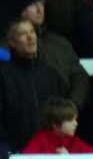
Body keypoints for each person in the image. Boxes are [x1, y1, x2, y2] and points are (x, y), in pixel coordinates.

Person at [13, 0, 89, 109]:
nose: (39, 9)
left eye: (41, 4)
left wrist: (73, 104)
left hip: (63, 116)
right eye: (33, 5)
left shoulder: (60, 42)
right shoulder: (6, 46)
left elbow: (79, 75)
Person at [0, 19, 67, 154]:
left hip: (50, 150)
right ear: (12, 43)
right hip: (16, 150)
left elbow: (61, 115)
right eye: (23, 34)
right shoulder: (3, 75)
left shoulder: (51, 74)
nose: (30, 37)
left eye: (32, 32)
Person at [21, 97, 93, 154]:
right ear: (56, 124)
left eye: (76, 119)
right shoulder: (40, 139)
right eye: (71, 120)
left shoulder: (74, 141)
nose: (76, 123)